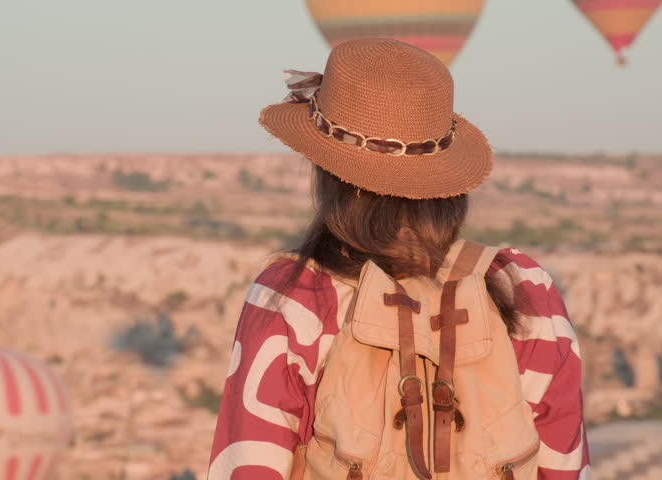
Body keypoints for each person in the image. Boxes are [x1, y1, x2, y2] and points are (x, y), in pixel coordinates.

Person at [207, 38, 589, 480]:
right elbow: (565, 467)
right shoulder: (523, 287)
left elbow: (248, 466)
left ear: (327, 173)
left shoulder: (295, 295)